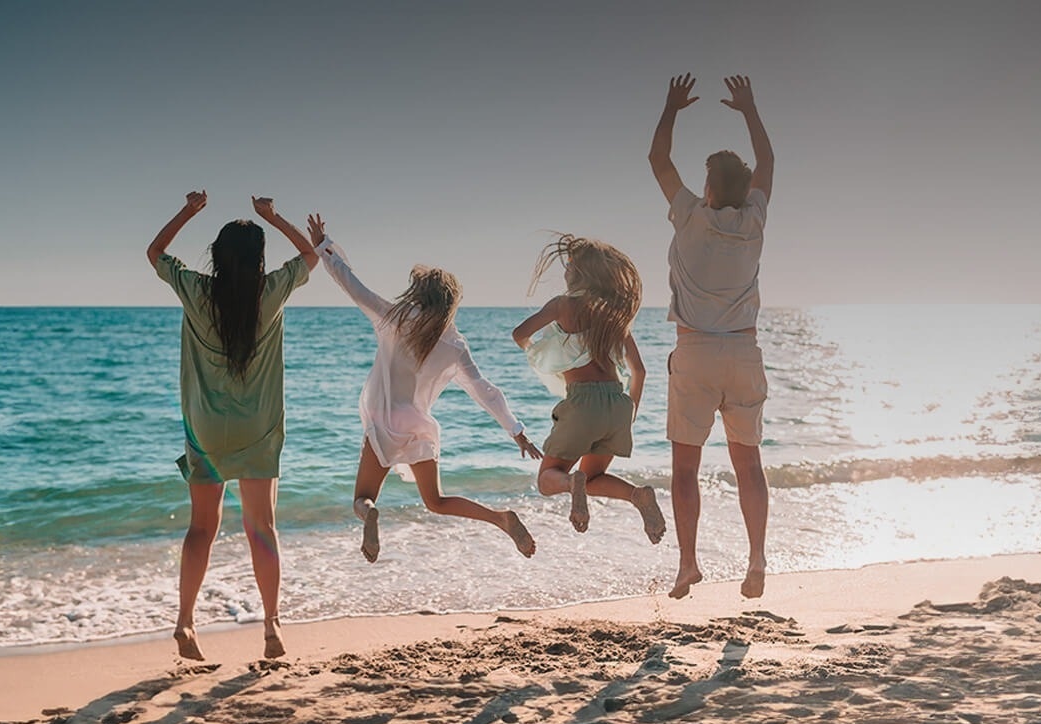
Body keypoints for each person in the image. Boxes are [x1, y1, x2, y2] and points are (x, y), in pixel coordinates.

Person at [305, 214, 542, 562]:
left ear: (418, 294)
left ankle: (370, 514)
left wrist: (324, 246)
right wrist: (516, 431)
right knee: (436, 502)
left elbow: (352, 284)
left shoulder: (394, 319)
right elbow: (485, 391)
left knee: (363, 497)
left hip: (383, 420)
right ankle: (500, 519)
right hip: (418, 426)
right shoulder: (455, 344)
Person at [146, 190, 317, 661]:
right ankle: (271, 627)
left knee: (202, 527)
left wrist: (188, 210)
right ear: (260, 260)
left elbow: (155, 253)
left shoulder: (197, 290)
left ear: (216, 257)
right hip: (259, 430)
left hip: (205, 432)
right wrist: (274, 216)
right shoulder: (272, 291)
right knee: (261, 526)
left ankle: (184, 623)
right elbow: (310, 255)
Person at [648, 74, 775, 601]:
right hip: (743, 351)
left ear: (711, 188)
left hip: (696, 350)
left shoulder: (690, 218)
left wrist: (671, 105)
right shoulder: (753, 221)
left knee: (685, 467)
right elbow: (768, 161)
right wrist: (749, 109)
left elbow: (658, 159)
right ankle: (758, 558)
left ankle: (687, 565)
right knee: (748, 462)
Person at [511, 234, 667, 543]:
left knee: (546, 480)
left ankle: (572, 483)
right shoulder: (614, 315)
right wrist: (629, 414)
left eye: (569, 266)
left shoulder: (562, 305)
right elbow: (640, 371)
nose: (566, 272)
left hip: (583, 403)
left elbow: (519, 334)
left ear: (581, 273)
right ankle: (638, 496)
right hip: (618, 404)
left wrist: (547, 352)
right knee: (595, 477)